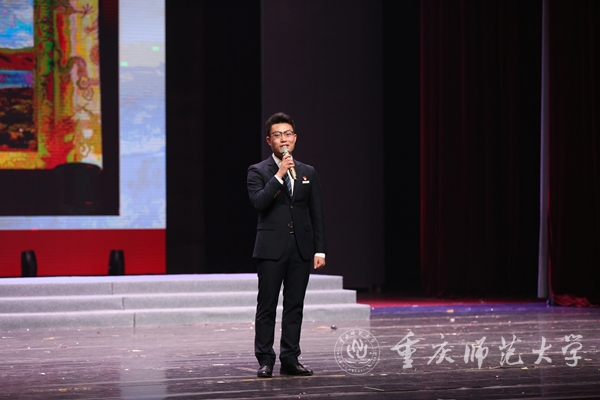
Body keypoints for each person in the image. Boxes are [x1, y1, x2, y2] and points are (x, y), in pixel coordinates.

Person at [247, 112, 327, 378]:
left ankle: (290, 358)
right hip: (271, 248)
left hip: (301, 249)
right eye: (278, 135)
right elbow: (259, 202)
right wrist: (280, 174)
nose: (284, 139)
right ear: (269, 140)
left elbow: (316, 213)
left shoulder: (307, 172)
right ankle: (265, 359)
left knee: (295, 305)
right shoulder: (258, 171)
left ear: (295, 138)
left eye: (288, 134)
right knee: (267, 305)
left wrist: (319, 249)